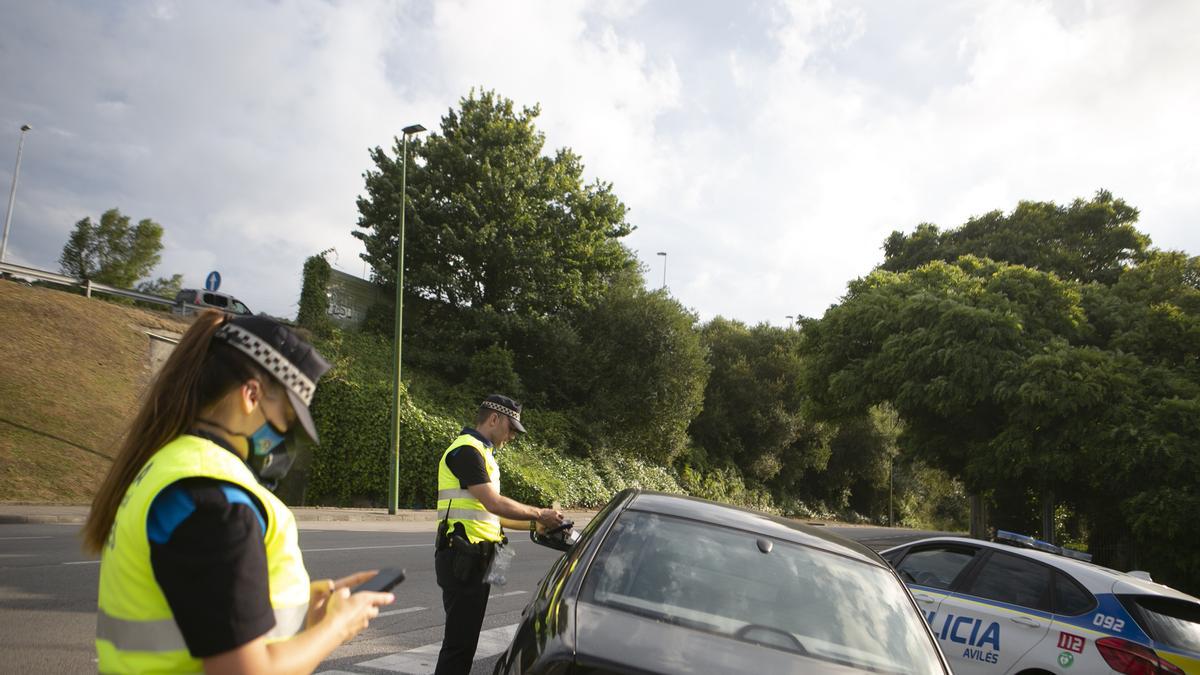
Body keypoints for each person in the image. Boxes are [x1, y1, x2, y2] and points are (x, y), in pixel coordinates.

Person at [82, 311, 395, 674]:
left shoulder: (167, 466)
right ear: (251, 394)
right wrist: (338, 627)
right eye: (287, 418)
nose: (286, 437)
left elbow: (198, 608)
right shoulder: (218, 500)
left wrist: (298, 612)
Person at [433, 395, 564, 675]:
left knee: (465, 641)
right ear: (494, 418)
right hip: (461, 558)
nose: (512, 436)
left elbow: (492, 515)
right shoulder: (466, 451)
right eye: (511, 428)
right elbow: (494, 503)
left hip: (475, 560)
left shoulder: (483, 453)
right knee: (458, 645)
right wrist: (539, 513)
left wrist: (535, 525)